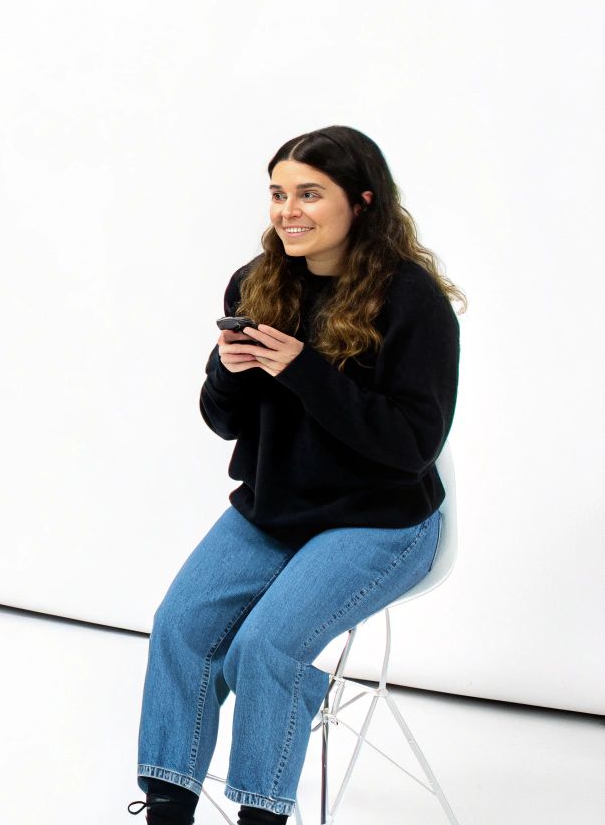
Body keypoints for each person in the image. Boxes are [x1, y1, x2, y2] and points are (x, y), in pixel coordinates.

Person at [131, 127, 461, 824]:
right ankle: (166, 810)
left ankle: (261, 815)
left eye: (310, 194)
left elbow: (411, 444)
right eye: (279, 194)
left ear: (362, 202)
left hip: (383, 520)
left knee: (266, 647)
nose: (289, 211)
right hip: (276, 511)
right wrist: (229, 369)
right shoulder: (258, 281)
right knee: (179, 626)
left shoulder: (411, 301)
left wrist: (303, 370)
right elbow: (223, 421)